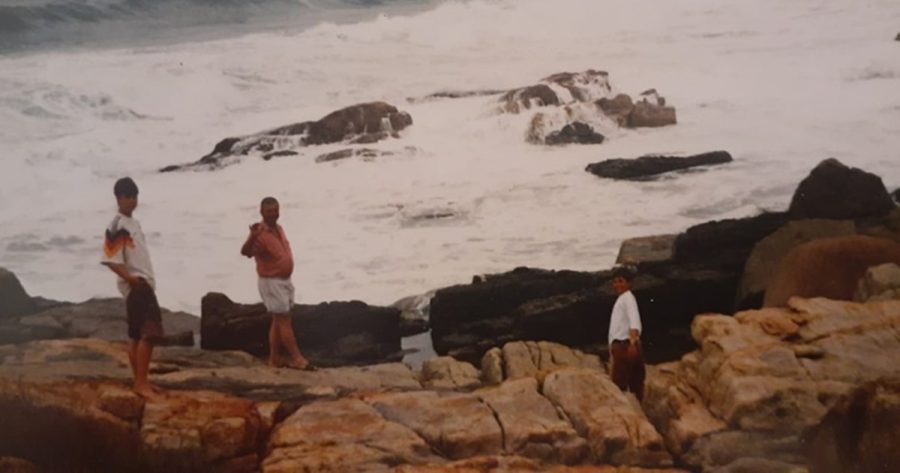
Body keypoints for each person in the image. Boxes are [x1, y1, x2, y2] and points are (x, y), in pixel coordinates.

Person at [101, 177, 163, 397]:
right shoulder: (116, 225)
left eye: (135, 196)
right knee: (149, 334)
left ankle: (140, 381)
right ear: (118, 198)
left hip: (142, 282)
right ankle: (141, 383)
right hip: (137, 285)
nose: (132, 201)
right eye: (128, 197)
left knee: (136, 335)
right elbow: (110, 259)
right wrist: (131, 280)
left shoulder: (134, 223)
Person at [241, 196, 313, 370]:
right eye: (269, 211)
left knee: (277, 319)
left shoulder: (278, 228)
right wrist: (252, 236)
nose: (273, 214)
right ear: (262, 212)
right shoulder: (260, 233)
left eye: (275, 210)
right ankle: (297, 358)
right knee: (284, 319)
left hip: (283, 280)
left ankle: (274, 359)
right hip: (271, 281)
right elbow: (246, 252)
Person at [608, 266, 645, 400]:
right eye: (615, 282)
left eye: (621, 281)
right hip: (623, 345)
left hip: (625, 345)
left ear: (629, 283)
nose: (617, 284)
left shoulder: (627, 298)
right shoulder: (623, 299)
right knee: (634, 383)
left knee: (620, 383)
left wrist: (633, 343)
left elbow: (634, 320)